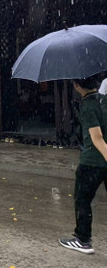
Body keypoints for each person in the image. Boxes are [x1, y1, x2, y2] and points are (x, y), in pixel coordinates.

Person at [59, 76, 107, 255]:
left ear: (77, 85)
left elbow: (97, 137)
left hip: (92, 162)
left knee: (82, 200)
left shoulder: (87, 106)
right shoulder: (105, 100)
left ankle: (83, 240)